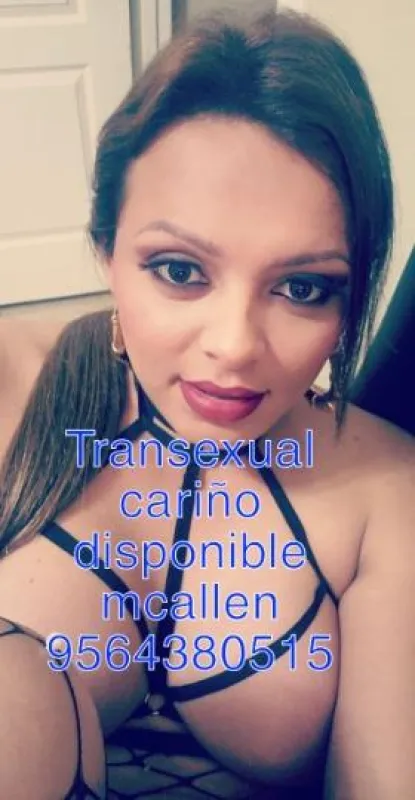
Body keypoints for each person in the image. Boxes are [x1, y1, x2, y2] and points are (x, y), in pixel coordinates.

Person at [0, 7, 414, 799]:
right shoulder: (11, 386)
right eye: (180, 270)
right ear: (105, 247)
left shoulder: (388, 491)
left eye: (302, 287)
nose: (234, 346)